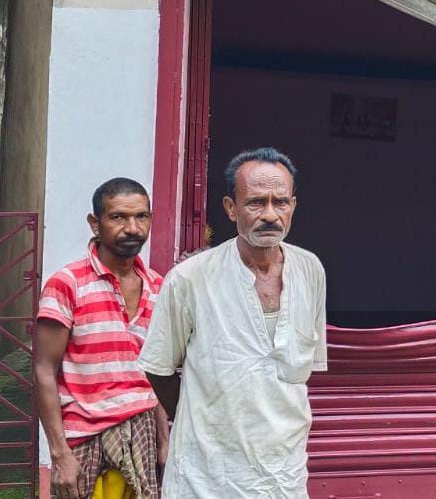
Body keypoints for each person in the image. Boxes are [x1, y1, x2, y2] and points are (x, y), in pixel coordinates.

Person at [139, 147, 327, 497]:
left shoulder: (310, 270)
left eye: (280, 202)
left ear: (293, 206)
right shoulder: (190, 279)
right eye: (256, 202)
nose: (270, 214)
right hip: (207, 476)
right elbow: (158, 369)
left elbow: (300, 372)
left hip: (283, 474)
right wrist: (208, 418)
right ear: (230, 208)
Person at [33, 178, 168, 499]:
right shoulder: (68, 283)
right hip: (82, 439)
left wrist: (165, 442)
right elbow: (43, 370)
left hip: (142, 435)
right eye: (118, 217)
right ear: (95, 223)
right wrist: (59, 454)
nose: (132, 228)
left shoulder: (159, 287)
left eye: (141, 216)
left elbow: (159, 373)